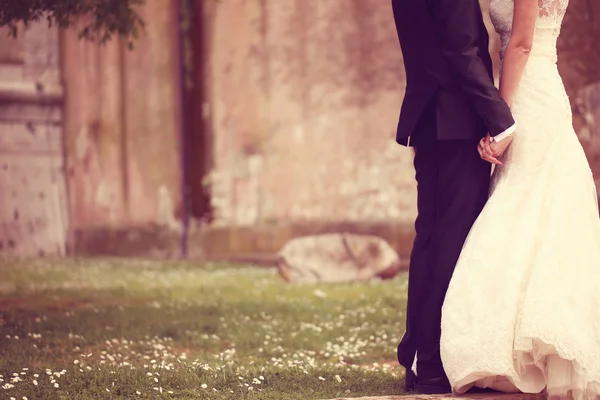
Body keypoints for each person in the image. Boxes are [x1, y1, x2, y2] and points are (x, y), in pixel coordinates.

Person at [441, 0, 600, 399]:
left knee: (523, 203)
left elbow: (522, 44)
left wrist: (501, 119)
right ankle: (515, 343)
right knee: (532, 206)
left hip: (528, 92)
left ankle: (524, 344)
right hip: (536, 85)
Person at [390, 0, 516, 394]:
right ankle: (430, 360)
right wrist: (502, 122)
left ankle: (420, 355)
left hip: (433, 120)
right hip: (456, 122)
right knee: (448, 241)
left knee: (430, 239)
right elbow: (462, 53)